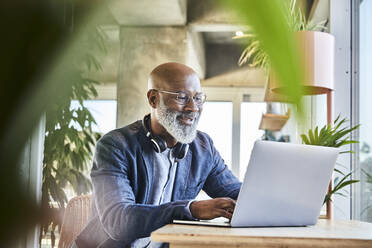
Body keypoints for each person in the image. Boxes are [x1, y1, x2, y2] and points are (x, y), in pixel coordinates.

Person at [73, 62, 242, 247]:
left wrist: (269, 198)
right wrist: (190, 209)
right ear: (153, 99)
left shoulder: (203, 148)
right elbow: (118, 221)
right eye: (182, 97)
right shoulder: (115, 145)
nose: (193, 107)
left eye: (198, 98)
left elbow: (237, 193)